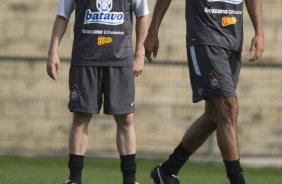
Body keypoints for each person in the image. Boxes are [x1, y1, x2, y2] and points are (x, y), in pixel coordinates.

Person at [145, 0, 264, 183]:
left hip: (232, 40)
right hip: (205, 39)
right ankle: (237, 180)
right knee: (229, 107)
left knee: (214, 116)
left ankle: (167, 171)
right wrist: (153, 31)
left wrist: (259, 31)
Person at [46, 0, 149, 183]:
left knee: (126, 119)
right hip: (85, 59)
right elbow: (63, 14)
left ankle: (130, 179)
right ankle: (74, 179)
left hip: (120, 60)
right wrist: (53, 51)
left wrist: (139, 52)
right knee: (81, 116)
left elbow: (142, 14)